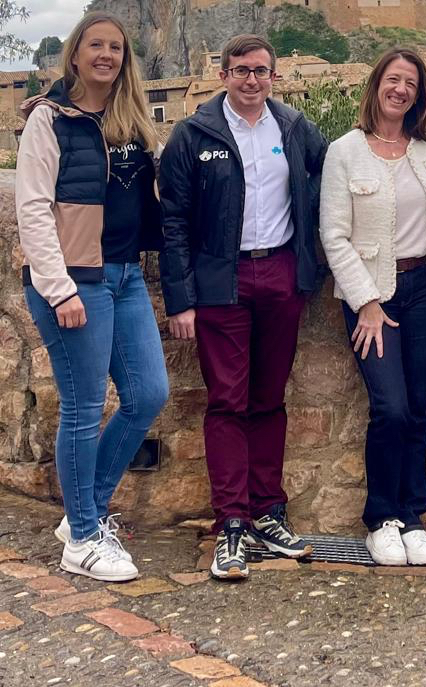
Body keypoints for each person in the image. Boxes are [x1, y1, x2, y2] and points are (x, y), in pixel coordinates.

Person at [159, 34, 328, 581]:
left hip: (280, 273)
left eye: (260, 70)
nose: (250, 80)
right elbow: (174, 223)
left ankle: (269, 510)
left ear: (274, 76)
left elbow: (336, 176)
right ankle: (231, 521)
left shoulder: (296, 129)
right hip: (220, 280)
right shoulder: (194, 134)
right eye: (240, 71)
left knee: (270, 397)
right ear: (222, 75)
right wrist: (181, 299)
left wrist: (313, 263)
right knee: (227, 400)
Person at [16, 11, 168, 582]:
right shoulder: (49, 120)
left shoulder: (130, 122)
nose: (106, 55)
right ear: (75, 53)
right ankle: (82, 539)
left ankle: (84, 512)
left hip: (125, 276)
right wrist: (59, 289)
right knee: (82, 409)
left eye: (116, 48)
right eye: (95, 45)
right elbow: (32, 208)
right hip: (76, 281)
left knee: (148, 394)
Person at [320, 49, 426, 567]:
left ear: (420, 95)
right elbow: (333, 236)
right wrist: (368, 304)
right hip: (372, 295)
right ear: (377, 85)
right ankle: (381, 518)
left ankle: (413, 516)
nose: (401, 90)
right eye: (393, 80)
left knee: (418, 408)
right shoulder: (345, 151)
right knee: (390, 408)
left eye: (411, 84)